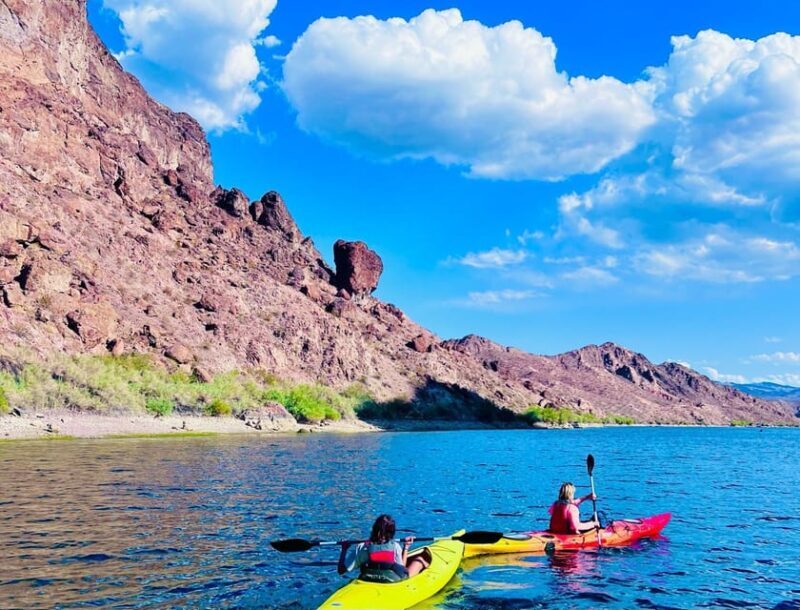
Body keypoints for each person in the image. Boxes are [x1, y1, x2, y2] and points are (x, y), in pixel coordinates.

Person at [337, 514, 430, 582]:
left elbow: (341, 570)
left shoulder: (362, 547)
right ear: (392, 531)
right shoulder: (395, 547)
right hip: (391, 581)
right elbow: (402, 570)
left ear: (374, 529)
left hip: (368, 579)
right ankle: (429, 572)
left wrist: (344, 549)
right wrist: (406, 547)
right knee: (419, 560)